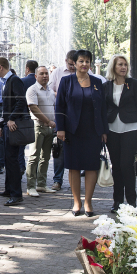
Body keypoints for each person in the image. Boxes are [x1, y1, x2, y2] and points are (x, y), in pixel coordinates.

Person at [55, 50, 108, 217]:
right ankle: (77, 202)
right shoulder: (66, 81)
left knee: (92, 166)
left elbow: (103, 108)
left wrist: (104, 130)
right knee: (74, 166)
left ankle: (88, 202)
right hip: (72, 131)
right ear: (75, 63)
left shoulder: (98, 82)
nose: (84, 64)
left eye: (87, 61)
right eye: (81, 61)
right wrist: (60, 128)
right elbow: (59, 106)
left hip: (93, 131)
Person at [103, 55, 137, 213]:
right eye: (120, 64)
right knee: (116, 167)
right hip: (112, 130)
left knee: (127, 165)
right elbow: (103, 110)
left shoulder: (134, 84)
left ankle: (132, 201)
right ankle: (117, 201)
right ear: (113, 67)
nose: (123, 67)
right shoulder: (106, 85)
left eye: (125, 64)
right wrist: (103, 131)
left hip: (131, 129)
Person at [0, 56, 28, 206]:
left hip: (14, 126)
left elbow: (21, 101)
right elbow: (6, 107)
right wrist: (1, 124)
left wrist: (12, 119)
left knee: (13, 160)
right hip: (8, 125)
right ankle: (9, 189)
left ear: (1, 67)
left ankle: (16, 194)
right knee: (8, 158)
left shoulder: (14, 80)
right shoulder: (6, 82)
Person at [25, 66, 57, 196]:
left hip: (50, 128)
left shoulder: (50, 91)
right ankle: (30, 186)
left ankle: (41, 184)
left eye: (46, 74)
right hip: (38, 126)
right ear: (36, 76)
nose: (45, 76)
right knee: (34, 156)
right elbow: (33, 108)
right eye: (42, 74)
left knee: (46, 157)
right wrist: (48, 121)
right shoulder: (32, 90)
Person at [48, 49, 77, 191]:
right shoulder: (58, 72)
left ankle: (75, 181)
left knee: (77, 150)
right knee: (59, 150)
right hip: (61, 116)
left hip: (78, 119)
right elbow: (49, 90)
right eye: (70, 64)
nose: (72, 67)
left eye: (74, 64)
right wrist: (61, 95)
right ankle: (57, 180)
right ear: (66, 61)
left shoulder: (84, 73)